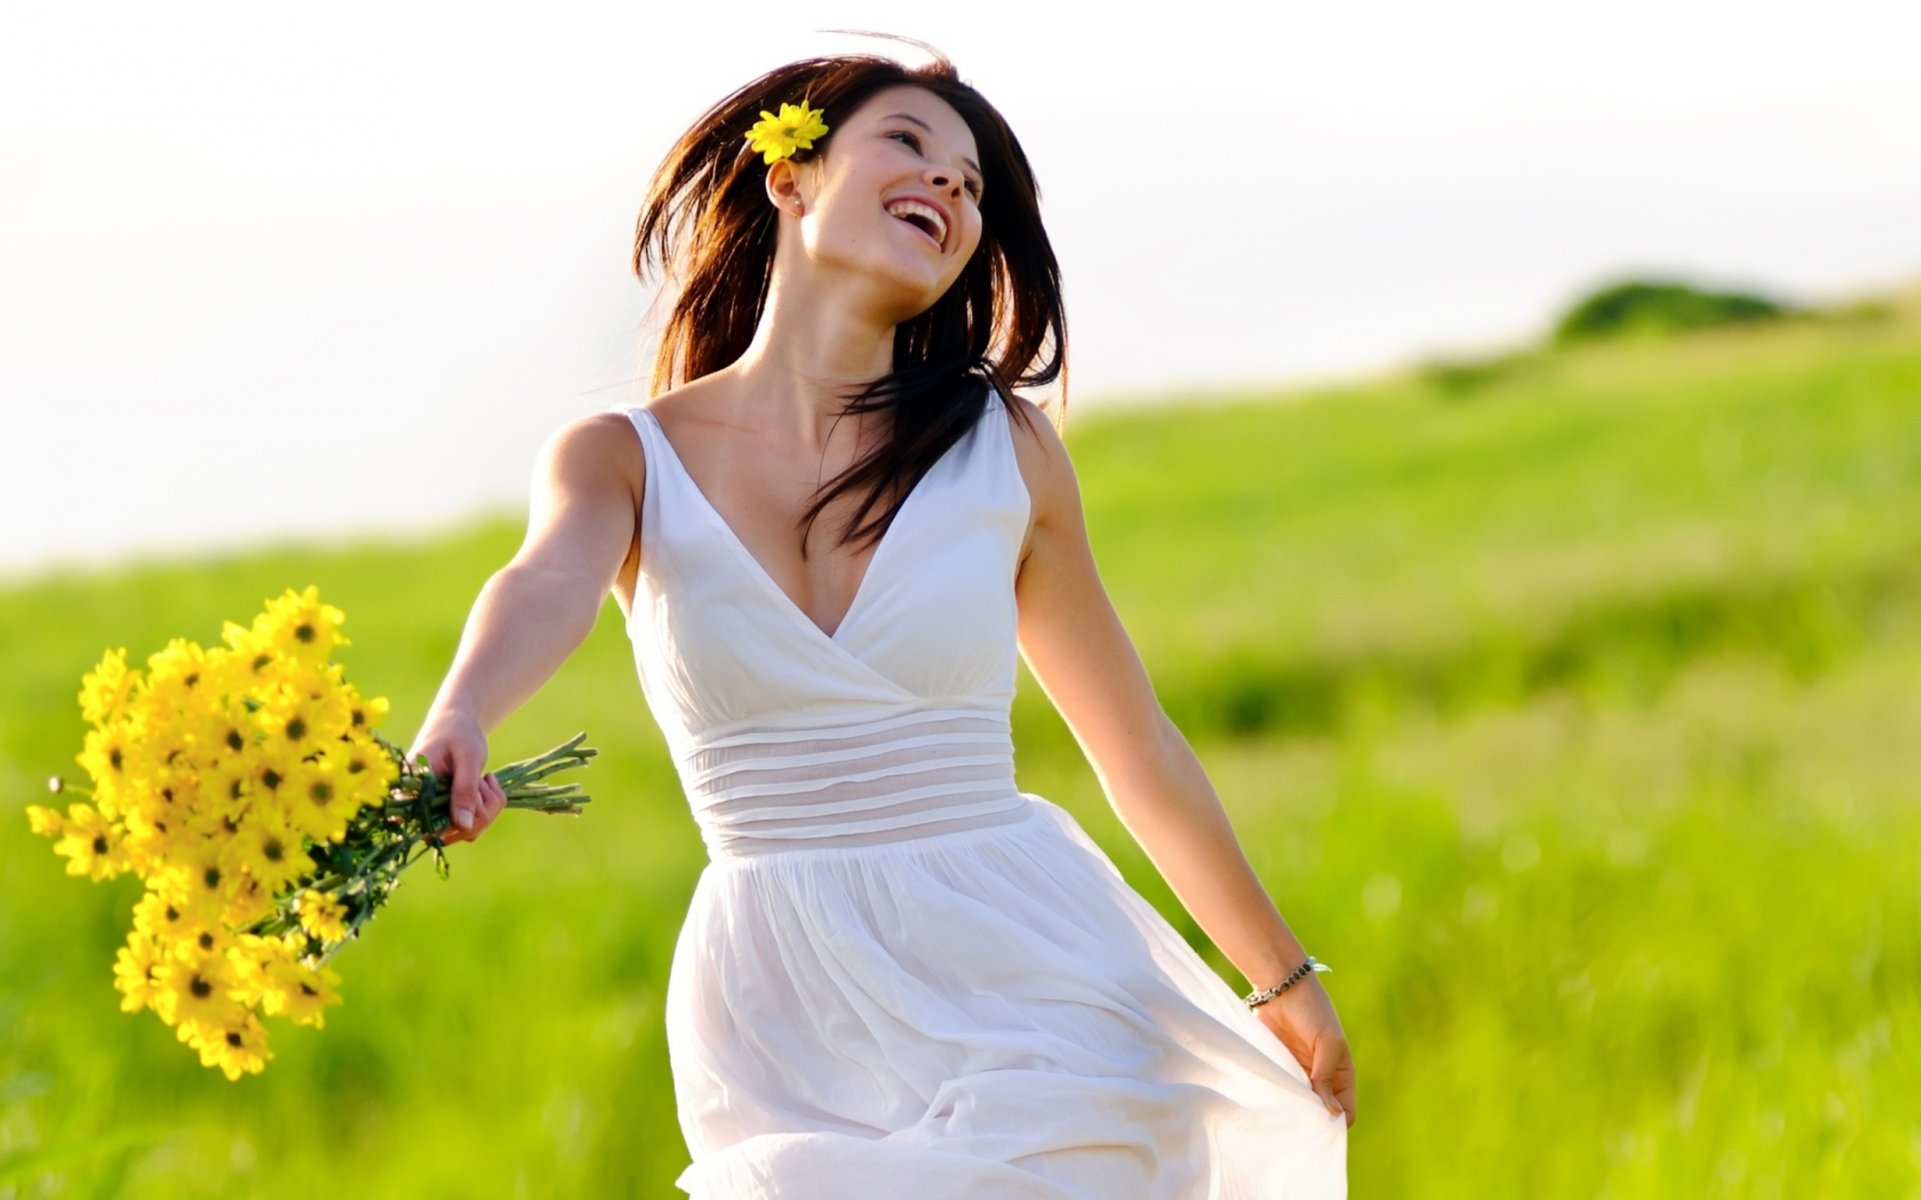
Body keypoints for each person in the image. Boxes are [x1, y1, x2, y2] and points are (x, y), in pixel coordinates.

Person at [408, 39, 1353, 1199]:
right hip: (781, 1004)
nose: (950, 187)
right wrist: (462, 712)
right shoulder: (622, 459)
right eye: (909, 144)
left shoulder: (1002, 453)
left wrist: (1279, 977)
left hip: (1026, 969)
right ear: (789, 177)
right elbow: (543, 585)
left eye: (971, 184)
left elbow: (1137, 747)